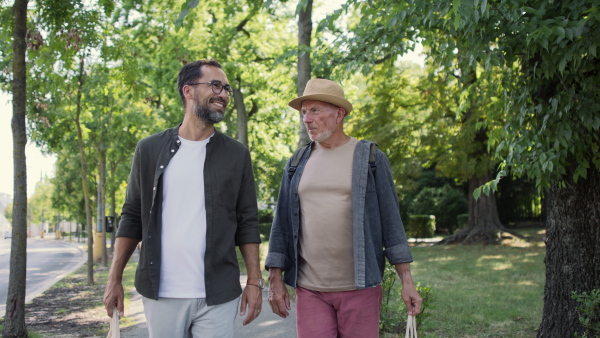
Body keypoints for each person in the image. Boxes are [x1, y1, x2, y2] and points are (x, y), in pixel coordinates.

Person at [103, 59, 264, 337]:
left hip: (219, 294)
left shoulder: (237, 155)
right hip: (161, 292)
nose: (224, 94)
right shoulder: (149, 149)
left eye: (226, 88)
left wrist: (254, 281)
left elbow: (247, 221)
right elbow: (131, 215)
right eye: (215, 85)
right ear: (188, 91)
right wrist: (114, 279)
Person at [266, 78, 422, 338]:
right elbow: (281, 223)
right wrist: (275, 279)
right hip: (310, 289)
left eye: (315, 110)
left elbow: (392, 222)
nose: (306, 119)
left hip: (360, 287)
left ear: (339, 114)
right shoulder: (297, 162)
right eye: (304, 112)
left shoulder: (369, 158)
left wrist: (407, 282)